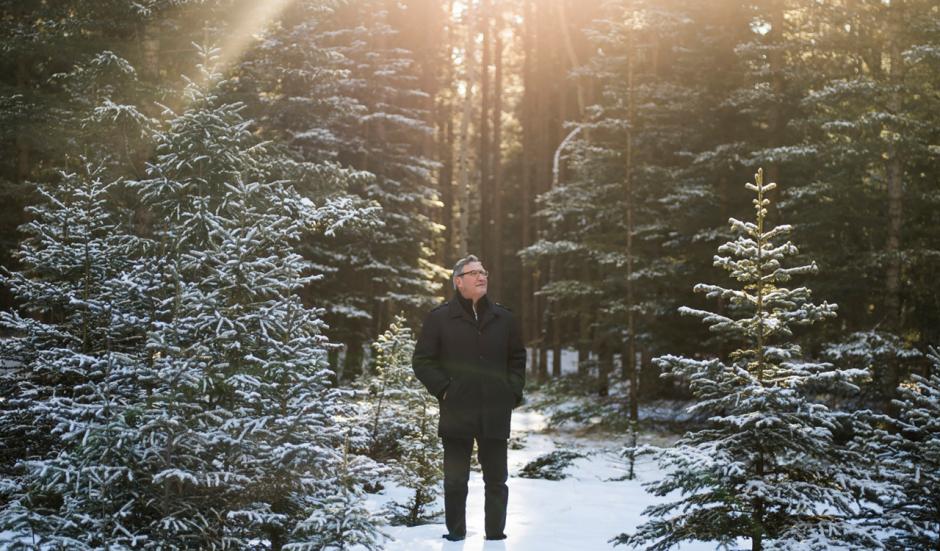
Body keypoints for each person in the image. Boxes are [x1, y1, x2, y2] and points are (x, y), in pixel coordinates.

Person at [412, 254, 526, 542]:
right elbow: (423, 361)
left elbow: (517, 358)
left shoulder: (505, 318)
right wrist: (445, 390)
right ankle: (455, 536)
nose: (481, 276)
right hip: (457, 410)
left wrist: (511, 391)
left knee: (497, 481)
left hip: (495, 411)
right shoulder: (440, 318)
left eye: (483, 271)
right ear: (458, 281)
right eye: (473, 272)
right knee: (455, 480)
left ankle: (495, 537)